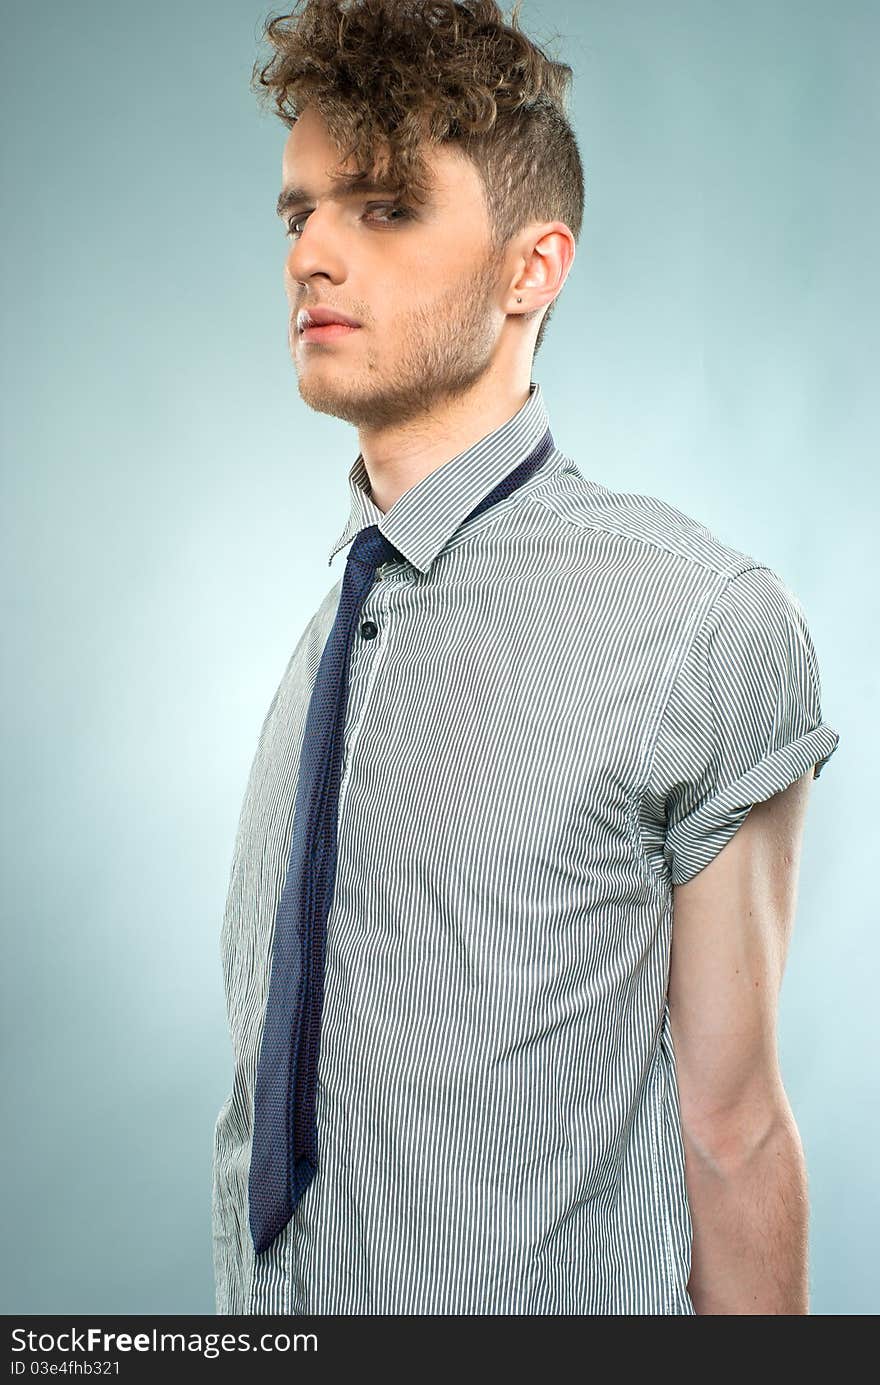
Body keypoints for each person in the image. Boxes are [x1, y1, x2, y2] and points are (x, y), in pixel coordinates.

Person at [212, 0, 839, 1316]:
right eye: (299, 211)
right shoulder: (328, 638)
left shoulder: (699, 620)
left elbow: (734, 1131)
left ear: (530, 269)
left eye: (381, 208)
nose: (313, 252)